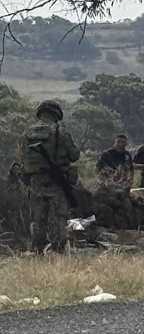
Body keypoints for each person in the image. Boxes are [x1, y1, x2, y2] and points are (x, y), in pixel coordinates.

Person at [20, 100, 80, 252]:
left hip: (35, 181)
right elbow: (74, 155)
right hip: (57, 181)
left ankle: (37, 250)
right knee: (59, 216)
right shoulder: (60, 132)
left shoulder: (27, 133)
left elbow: (22, 158)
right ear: (57, 114)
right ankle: (58, 250)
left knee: (38, 218)